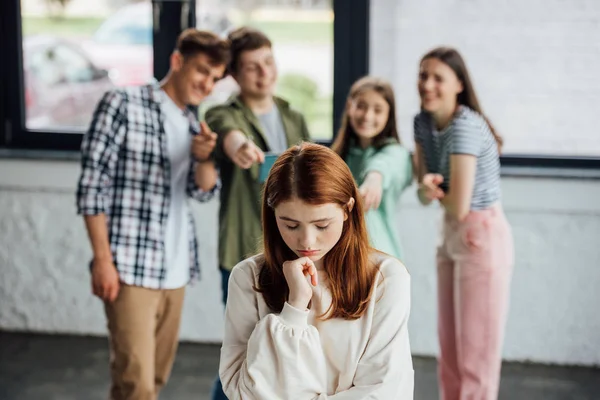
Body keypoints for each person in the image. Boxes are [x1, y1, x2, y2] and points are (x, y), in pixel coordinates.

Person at [76, 29, 229, 400]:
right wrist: (102, 260)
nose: (207, 84)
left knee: (154, 380)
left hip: (175, 270)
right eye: (202, 71)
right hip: (129, 265)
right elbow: (91, 186)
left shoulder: (195, 126)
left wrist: (206, 155)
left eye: (215, 79)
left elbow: (203, 191)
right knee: (136, 384)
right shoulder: (122, 103)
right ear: (177, 62)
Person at [219, 142, 414, 399]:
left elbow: (385, 391)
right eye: (290, 225)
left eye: (321, 225)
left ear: (348, 210)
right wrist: (294, 308)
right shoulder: (248, 277)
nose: (307, 241)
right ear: (272, 213)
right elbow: (242, 392)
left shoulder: (386, 278)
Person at [205, 26, 310, 399]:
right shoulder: (223, 113)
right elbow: (226, 131)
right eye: (252, 67)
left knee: (282, 345)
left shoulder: (292, 117)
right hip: (243, 251)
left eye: (268, 62)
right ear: (234, 74)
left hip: (292, 250)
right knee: (245, 351)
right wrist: (239, 145)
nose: (264, 73)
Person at [413, 47, 514, 400]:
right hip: (451, 234)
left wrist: (432, 189)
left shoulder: (466, 126)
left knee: (477, 356)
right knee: (451, 352)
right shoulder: (422, 122)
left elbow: (457, 205)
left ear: (459, 84)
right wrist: (427, 189)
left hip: (481, 236)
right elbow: (424, 194)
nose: (427, 84)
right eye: (423, 75)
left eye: (438, 77)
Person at [332, 76, 413, 260]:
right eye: (361, 106)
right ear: (349, 107)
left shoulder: (396, 153)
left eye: (377, 110)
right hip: (339, 256)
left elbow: (384, 164)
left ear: (389, 115)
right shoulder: (338, 156)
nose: (367, 116)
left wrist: (374, 178)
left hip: (378, 255)